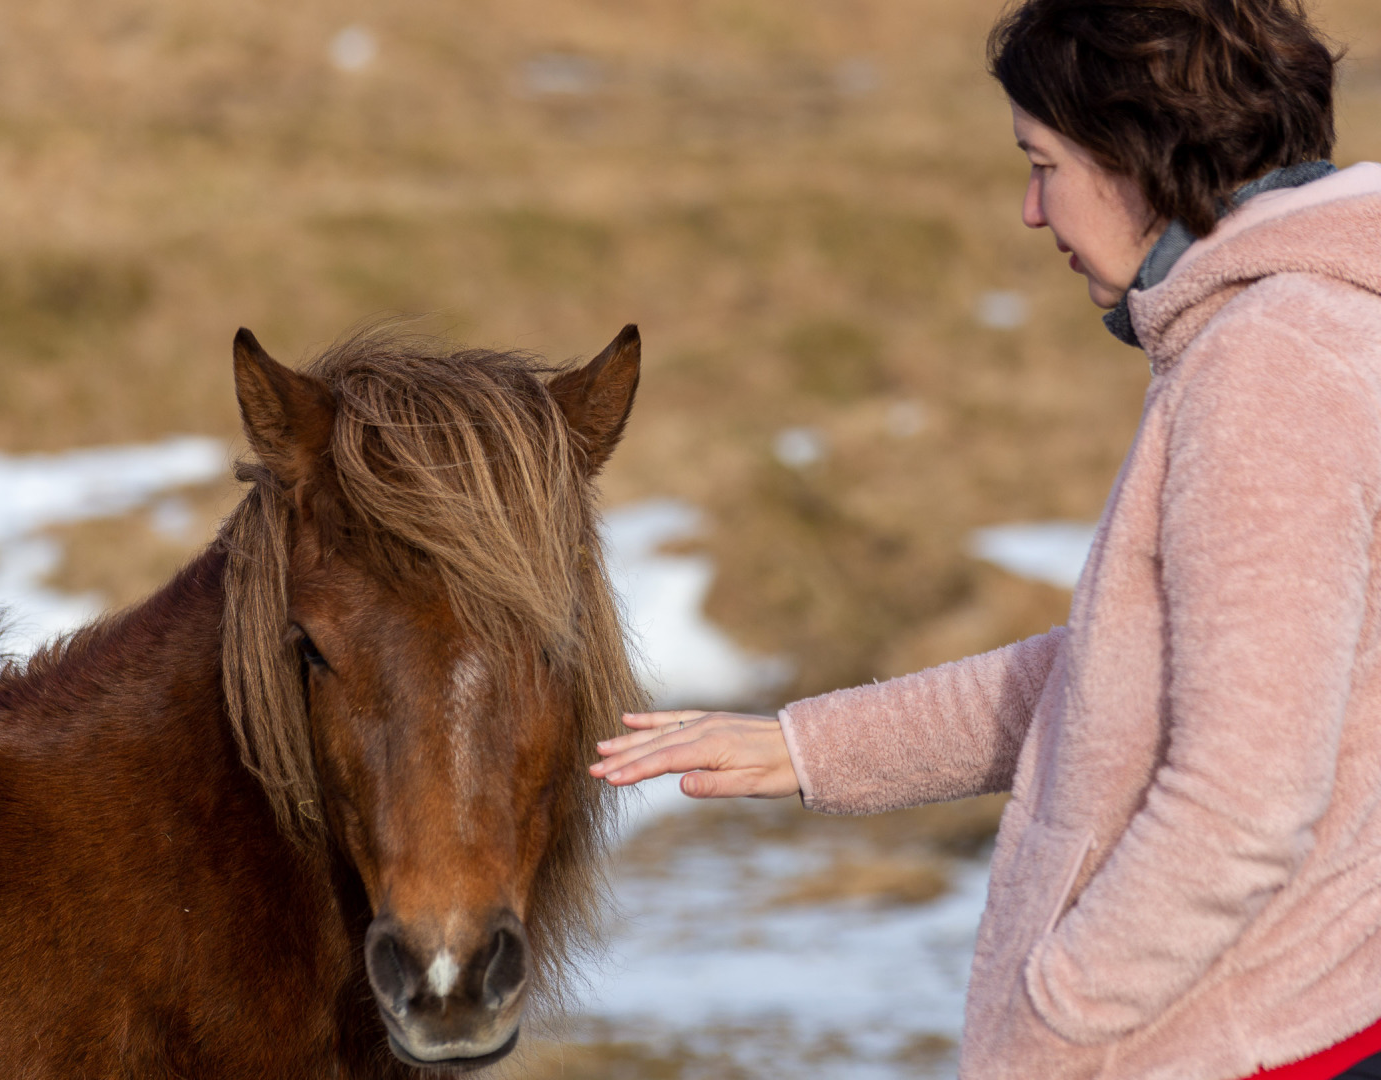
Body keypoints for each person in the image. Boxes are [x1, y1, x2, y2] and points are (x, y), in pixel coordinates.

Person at [590, 0, 1381, 1077]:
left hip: (1235, 1045)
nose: (1029, 209)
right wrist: (811, 748)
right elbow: (1133, 671)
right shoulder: (1307, 328)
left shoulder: (1268, 363)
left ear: (1139, 155)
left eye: (1043, 161)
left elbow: (1245, 805)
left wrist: (1057, 1013)